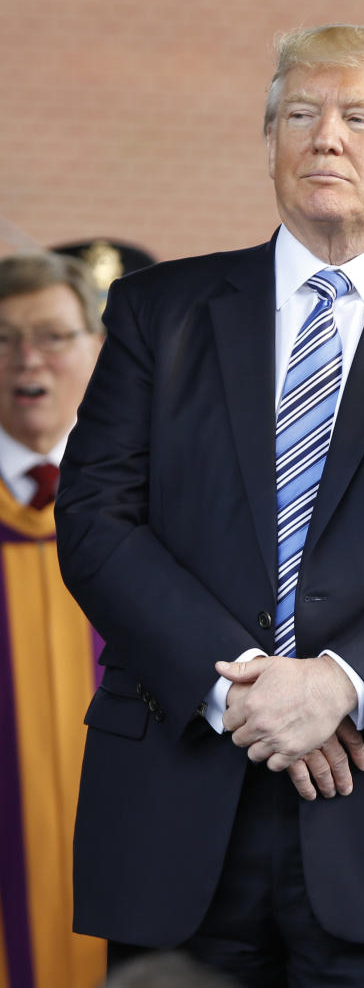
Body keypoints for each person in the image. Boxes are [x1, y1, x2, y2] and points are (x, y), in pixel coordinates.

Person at [55, 25, 364, 988]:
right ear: (269, 141)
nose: (325, 137)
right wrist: (244, 693)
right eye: (299, 114)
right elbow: (97, 519)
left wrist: (338, 685)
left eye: (359, 117)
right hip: (180, 797)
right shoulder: (161, 313)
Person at [0, 251, 106, 988]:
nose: (26, 359)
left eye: (53, 336)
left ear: (98, 348)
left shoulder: (161, 509)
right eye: (2, 338)